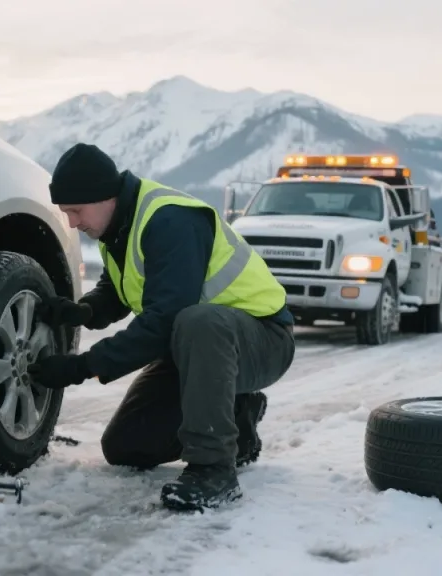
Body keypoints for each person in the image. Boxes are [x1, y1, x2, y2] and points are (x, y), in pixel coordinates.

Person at [26, 143, 296, 511]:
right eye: (65, 212)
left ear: (105, 196)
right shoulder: (117, 226)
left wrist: (81, 367)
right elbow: (121, 289)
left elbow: (162, 320)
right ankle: (237, 417)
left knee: (197, 320)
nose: (73, 222)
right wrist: (83, 311)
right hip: (197, 348)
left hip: (261, 339)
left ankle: (214, 469)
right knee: (126, 447)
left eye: (76, 210)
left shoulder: (170, 220)